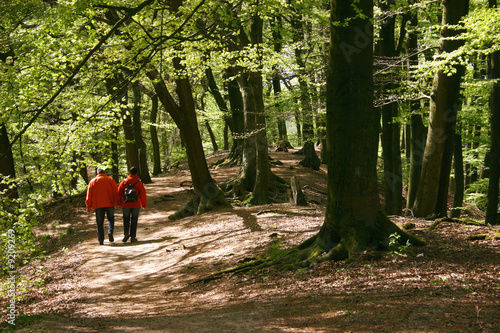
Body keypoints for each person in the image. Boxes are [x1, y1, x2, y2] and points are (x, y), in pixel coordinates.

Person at [86, 167, 118, 245]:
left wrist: (88, 206)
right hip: (109, 203)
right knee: (111, 219)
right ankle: (110, 232)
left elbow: (89, 195)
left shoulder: (93, 181)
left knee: (99, 222)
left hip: (98, 205)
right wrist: (117, 202)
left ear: (97, 173)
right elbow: (115, 192)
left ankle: (101, 240)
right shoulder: (110, 179)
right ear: (104, 172)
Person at [118, 166, 147, 243]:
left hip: (126, 204)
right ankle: (133, 237)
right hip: (136, 204)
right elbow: (143, 194)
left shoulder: (124, 181)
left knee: (126, 219)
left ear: (129, 172)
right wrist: (144, 204)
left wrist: (119, 203)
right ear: (137, 173)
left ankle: (126, 233)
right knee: (134, 219)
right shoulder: (139, 182)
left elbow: (119, 193)